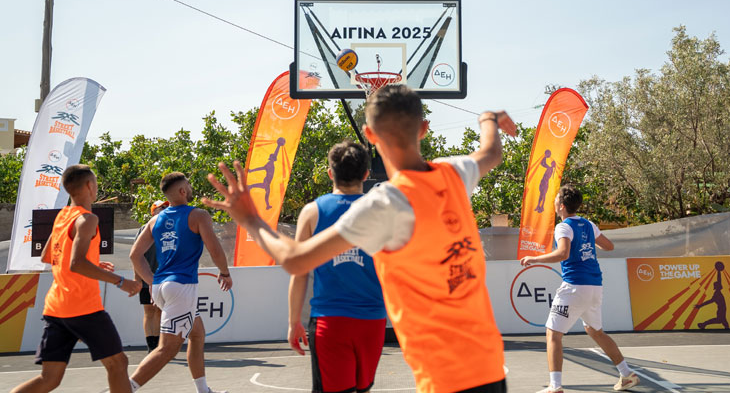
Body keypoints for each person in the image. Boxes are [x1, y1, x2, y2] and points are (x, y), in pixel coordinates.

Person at [204, 84, 517, 392]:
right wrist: (488, 119)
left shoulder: (386, 204)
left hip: (445, 378)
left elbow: (294, 260)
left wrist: (250, 219)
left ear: (370, 135)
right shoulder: (454, 172)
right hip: (489, 367)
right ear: (424, 129)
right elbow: (491, 152)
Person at [12, 164, 141, 393]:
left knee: (49, 379)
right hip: (83, 307)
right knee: (118, 363)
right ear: (90, 186)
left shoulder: (62, 216)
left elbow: (48, 256)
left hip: (56, 308)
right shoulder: (87, 219)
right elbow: (77, 263)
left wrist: (93, 263)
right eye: (96, 183)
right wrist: (121, 282)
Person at [520, 184, 640, 393]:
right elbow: (609, 246)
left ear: (562, 205)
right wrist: (587, 245)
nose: (554, 201)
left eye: (556, 199)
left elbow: (563, 253)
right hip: (594, 285)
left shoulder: (563, 227)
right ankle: (626, 373)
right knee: (595, 331)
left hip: (575, 286)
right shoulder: (588, 224)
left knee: (553, 334)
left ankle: (555, 386)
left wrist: (534, 259)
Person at [287, 140, 386, 393]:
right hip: (372, 320)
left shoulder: (312, 212)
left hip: (330, 321)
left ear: (330, 173)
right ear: (366, 174)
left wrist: (294, 320)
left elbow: (299, 270)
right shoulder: (382, 212)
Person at [129, 173, 233, 393]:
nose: (191, 188)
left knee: (197, 333)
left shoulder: (155, 220)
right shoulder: (198, 215)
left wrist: (152, 281)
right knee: (167, 349)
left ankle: (203, 390)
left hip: (161, 287)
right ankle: (123, 389)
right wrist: (224, 273)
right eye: (189, 185)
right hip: (181, 287)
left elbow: (134, 255)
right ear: (183, 191)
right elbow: (214, 249)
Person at [135, 200, 168, 352]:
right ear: (153, 211)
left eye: (166, 207)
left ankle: (160, 346)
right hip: (146, 277)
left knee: (161, 311)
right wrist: (138, 279)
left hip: (165, 279)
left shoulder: (170, 229)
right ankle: (151, 346)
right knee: (149, 311)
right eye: (162, 207)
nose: (165, 209)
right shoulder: (144, 229)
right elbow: (135, 255)